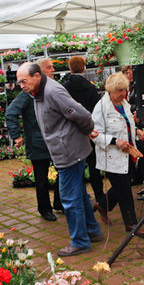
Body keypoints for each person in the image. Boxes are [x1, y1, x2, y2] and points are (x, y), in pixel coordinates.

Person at [16, 62, 102, 257]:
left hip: (70, 152)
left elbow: (82, 114)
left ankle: (80, 241)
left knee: (69, 198)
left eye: (24, 81)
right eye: (19, 82)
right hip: (65, 150)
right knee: (77, 192)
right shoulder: (37, 92)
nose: (22, 85)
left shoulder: (53, 92)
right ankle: (92, 231)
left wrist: (88, 131)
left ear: (37, 76)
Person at [91, 73, 144, 233]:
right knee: (124, 190)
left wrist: (137, 132)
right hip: (112, 156)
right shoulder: (101, 107)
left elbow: (127, 126)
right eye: (120, 91)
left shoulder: (125, 104)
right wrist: (115, 141)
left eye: (125, 90)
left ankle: (101, 204)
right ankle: (131, 223)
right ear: (110, 90)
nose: (123, 94)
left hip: (128, 152)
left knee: (122, 185)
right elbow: (94, 134)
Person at [6, 85, 62, 221]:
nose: (52, 70)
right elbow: (11, 112)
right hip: (37, 143)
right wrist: (16, 136)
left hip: (54, 141)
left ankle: (59, 203)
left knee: (63, 171)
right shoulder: (27, 94)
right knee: (41, 179)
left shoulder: (50, 90)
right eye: (48, 68)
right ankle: (44, 209)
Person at [61, 56, 104, 205]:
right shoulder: (90, 87)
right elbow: (97, 110)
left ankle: (81, 198)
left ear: (70, 68)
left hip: (72, 132)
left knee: (76, 166)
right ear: (84, 68)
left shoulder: (64, 87)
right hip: (89, 130)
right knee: (94, 165)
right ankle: (100, 197)